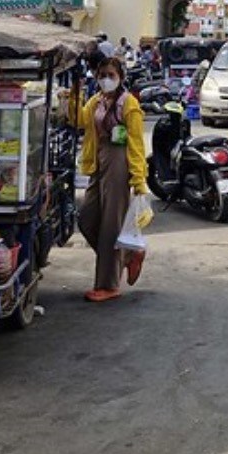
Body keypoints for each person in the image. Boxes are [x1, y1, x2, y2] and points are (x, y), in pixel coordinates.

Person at [77, 57, 148, 303]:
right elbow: (81, 120)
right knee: (87, 219)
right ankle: (128, 254)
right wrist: (73, 95)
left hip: (119, 161)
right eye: (102, 74)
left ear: (120, 77)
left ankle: (107, 285)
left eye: (111, 74)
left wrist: (139, 179)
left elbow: (137, 143)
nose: (106, 79)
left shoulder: (128, 104)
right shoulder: (96, 101)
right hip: (98, 160)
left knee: (110, 225)